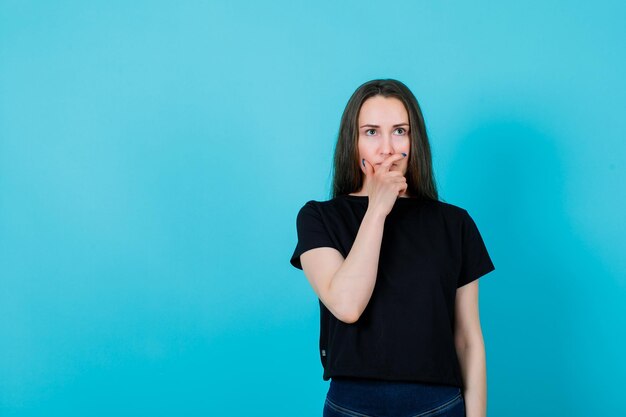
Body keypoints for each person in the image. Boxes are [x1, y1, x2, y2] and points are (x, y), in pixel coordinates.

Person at [289, 79, 495, 417]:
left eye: (400, 131)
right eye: (371, 132)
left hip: (438, 405)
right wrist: (377, 209)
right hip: (352, 405)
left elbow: (468, 339)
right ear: (352, 142)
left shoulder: (455, 224)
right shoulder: (319, 218)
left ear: (415, 142)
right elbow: (347, 304)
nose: (386, 148)